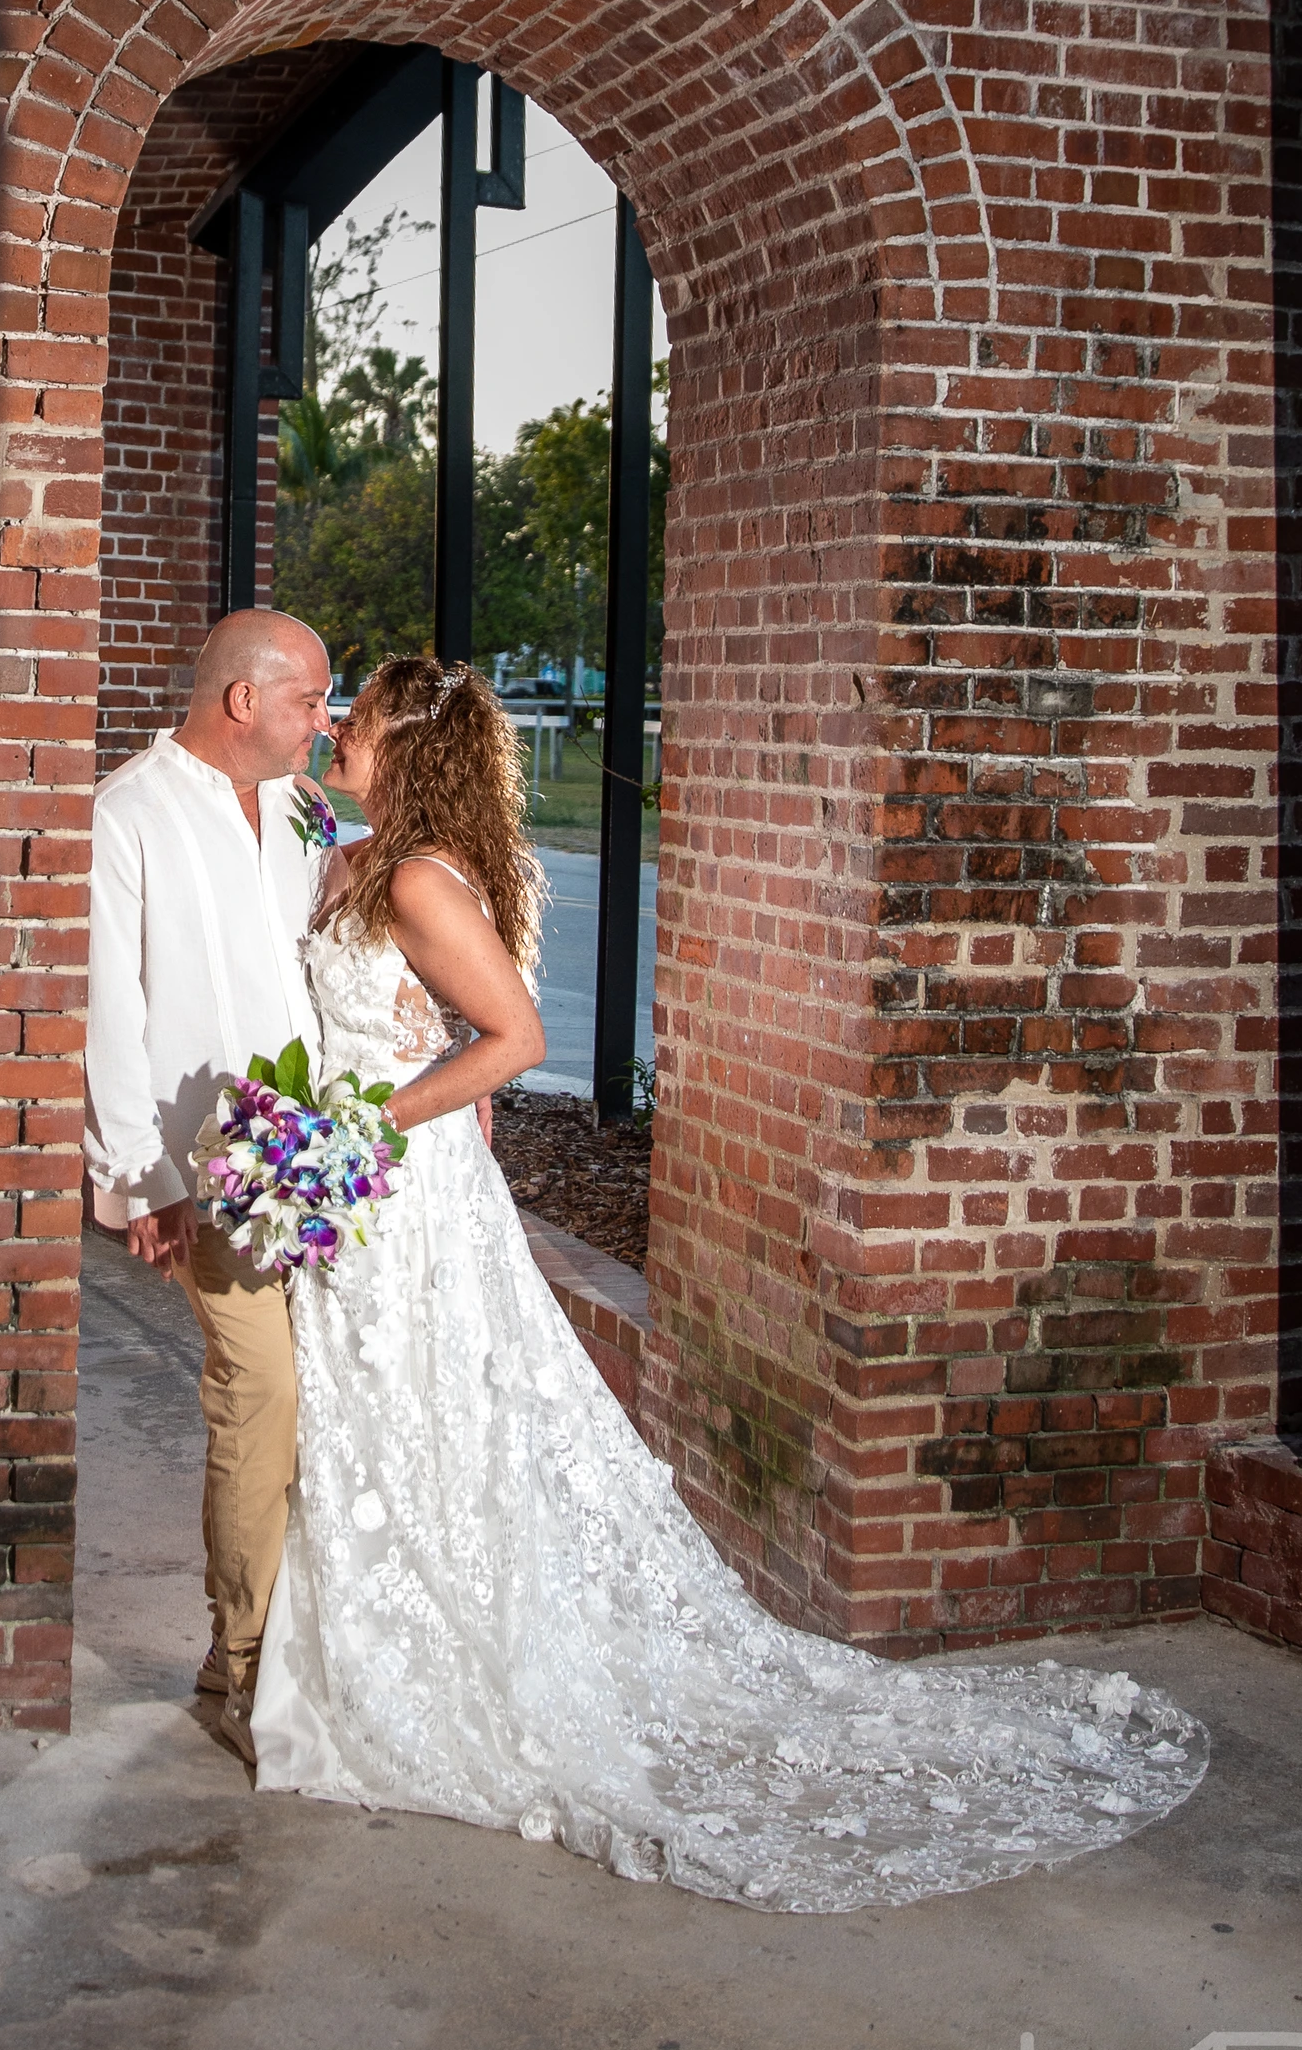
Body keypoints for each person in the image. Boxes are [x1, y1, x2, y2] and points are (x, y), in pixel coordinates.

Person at [250, 652, 1210, 1909]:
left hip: (402, 1186)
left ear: (407, 750)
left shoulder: (425, 881)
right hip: (351, 1189)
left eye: (356, 722)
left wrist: (369, 1122)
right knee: (374, 1418)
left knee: (442, 1414)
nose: (335, 735)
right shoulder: (350, 858)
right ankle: (356, 1659)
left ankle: (451, 1661)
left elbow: (517, 1042)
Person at [83, 610, 335, 1760]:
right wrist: (141, 1178)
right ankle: (242, 1667)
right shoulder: (125, 814)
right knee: (259, 1392)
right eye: (307, 702)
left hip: (330, 1169)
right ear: (244, 699)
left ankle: (297, 1643)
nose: (320, 726)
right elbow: (109, 1015)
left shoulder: (300, 811)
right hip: (213, 1167)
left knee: (312, 1403)